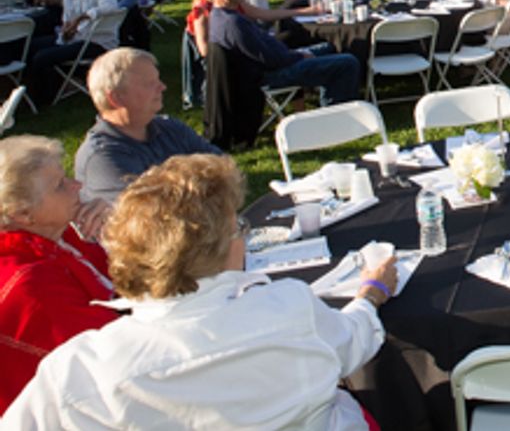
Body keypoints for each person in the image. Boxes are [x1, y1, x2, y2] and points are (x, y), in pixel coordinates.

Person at [7, 154, 395, 428]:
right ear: (223, 248)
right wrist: (372, 292)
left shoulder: (80, 371)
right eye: (237, 228)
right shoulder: (289, 308)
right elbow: (355, 342)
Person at [0, 135, 118, 412]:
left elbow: (125, 285)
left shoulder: (61, 237)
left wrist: (120, 232)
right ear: (22, 214)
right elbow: (116, 349)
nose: (77, 185)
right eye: (60, 186)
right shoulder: (31, 283)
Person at [74, 49, 221, 202]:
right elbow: (152, 212)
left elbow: (224, 169)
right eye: (150, 83)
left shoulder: (171, 128)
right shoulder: (102, 157)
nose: (162, 87)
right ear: (116, 98)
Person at [208, 0, 360, 103]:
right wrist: (299, 56)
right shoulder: (232, 23)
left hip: (279, 60)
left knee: (332, 47)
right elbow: (268, 59)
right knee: (347, 62)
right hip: (270, 74)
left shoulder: (226, 14)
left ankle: (333, 101)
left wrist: (295, 54)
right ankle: (335, 116)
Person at [25, 0, 121, 103]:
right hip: (76, 38)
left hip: (98, 40)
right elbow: (67, 23)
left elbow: (110, 8)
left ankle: (44, 97)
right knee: (29, 46)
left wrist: (83, 17)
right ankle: (31, 90)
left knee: (42, 57)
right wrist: (67, 31)